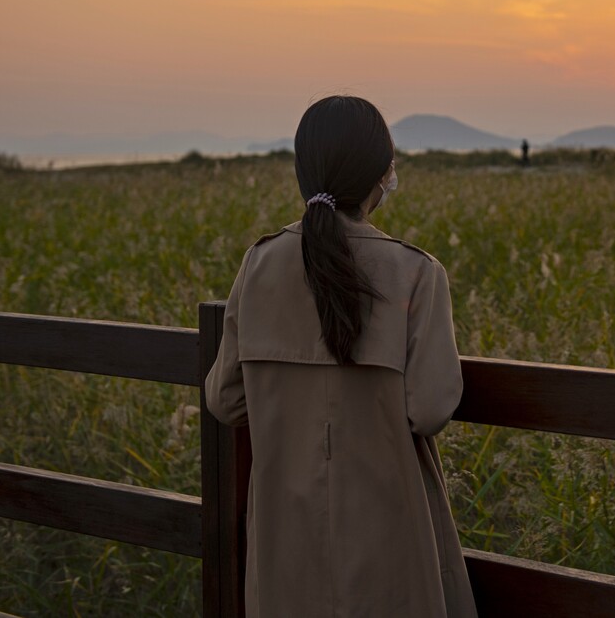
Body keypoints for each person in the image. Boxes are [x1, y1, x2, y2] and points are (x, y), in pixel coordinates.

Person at [205, 95, 478, 618]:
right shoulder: (416, 273)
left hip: (283, 535)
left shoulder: (258, 265)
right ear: (382, 175)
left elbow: (225, 399)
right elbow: (430, 408)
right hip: (388, 533)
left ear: (303, 171)